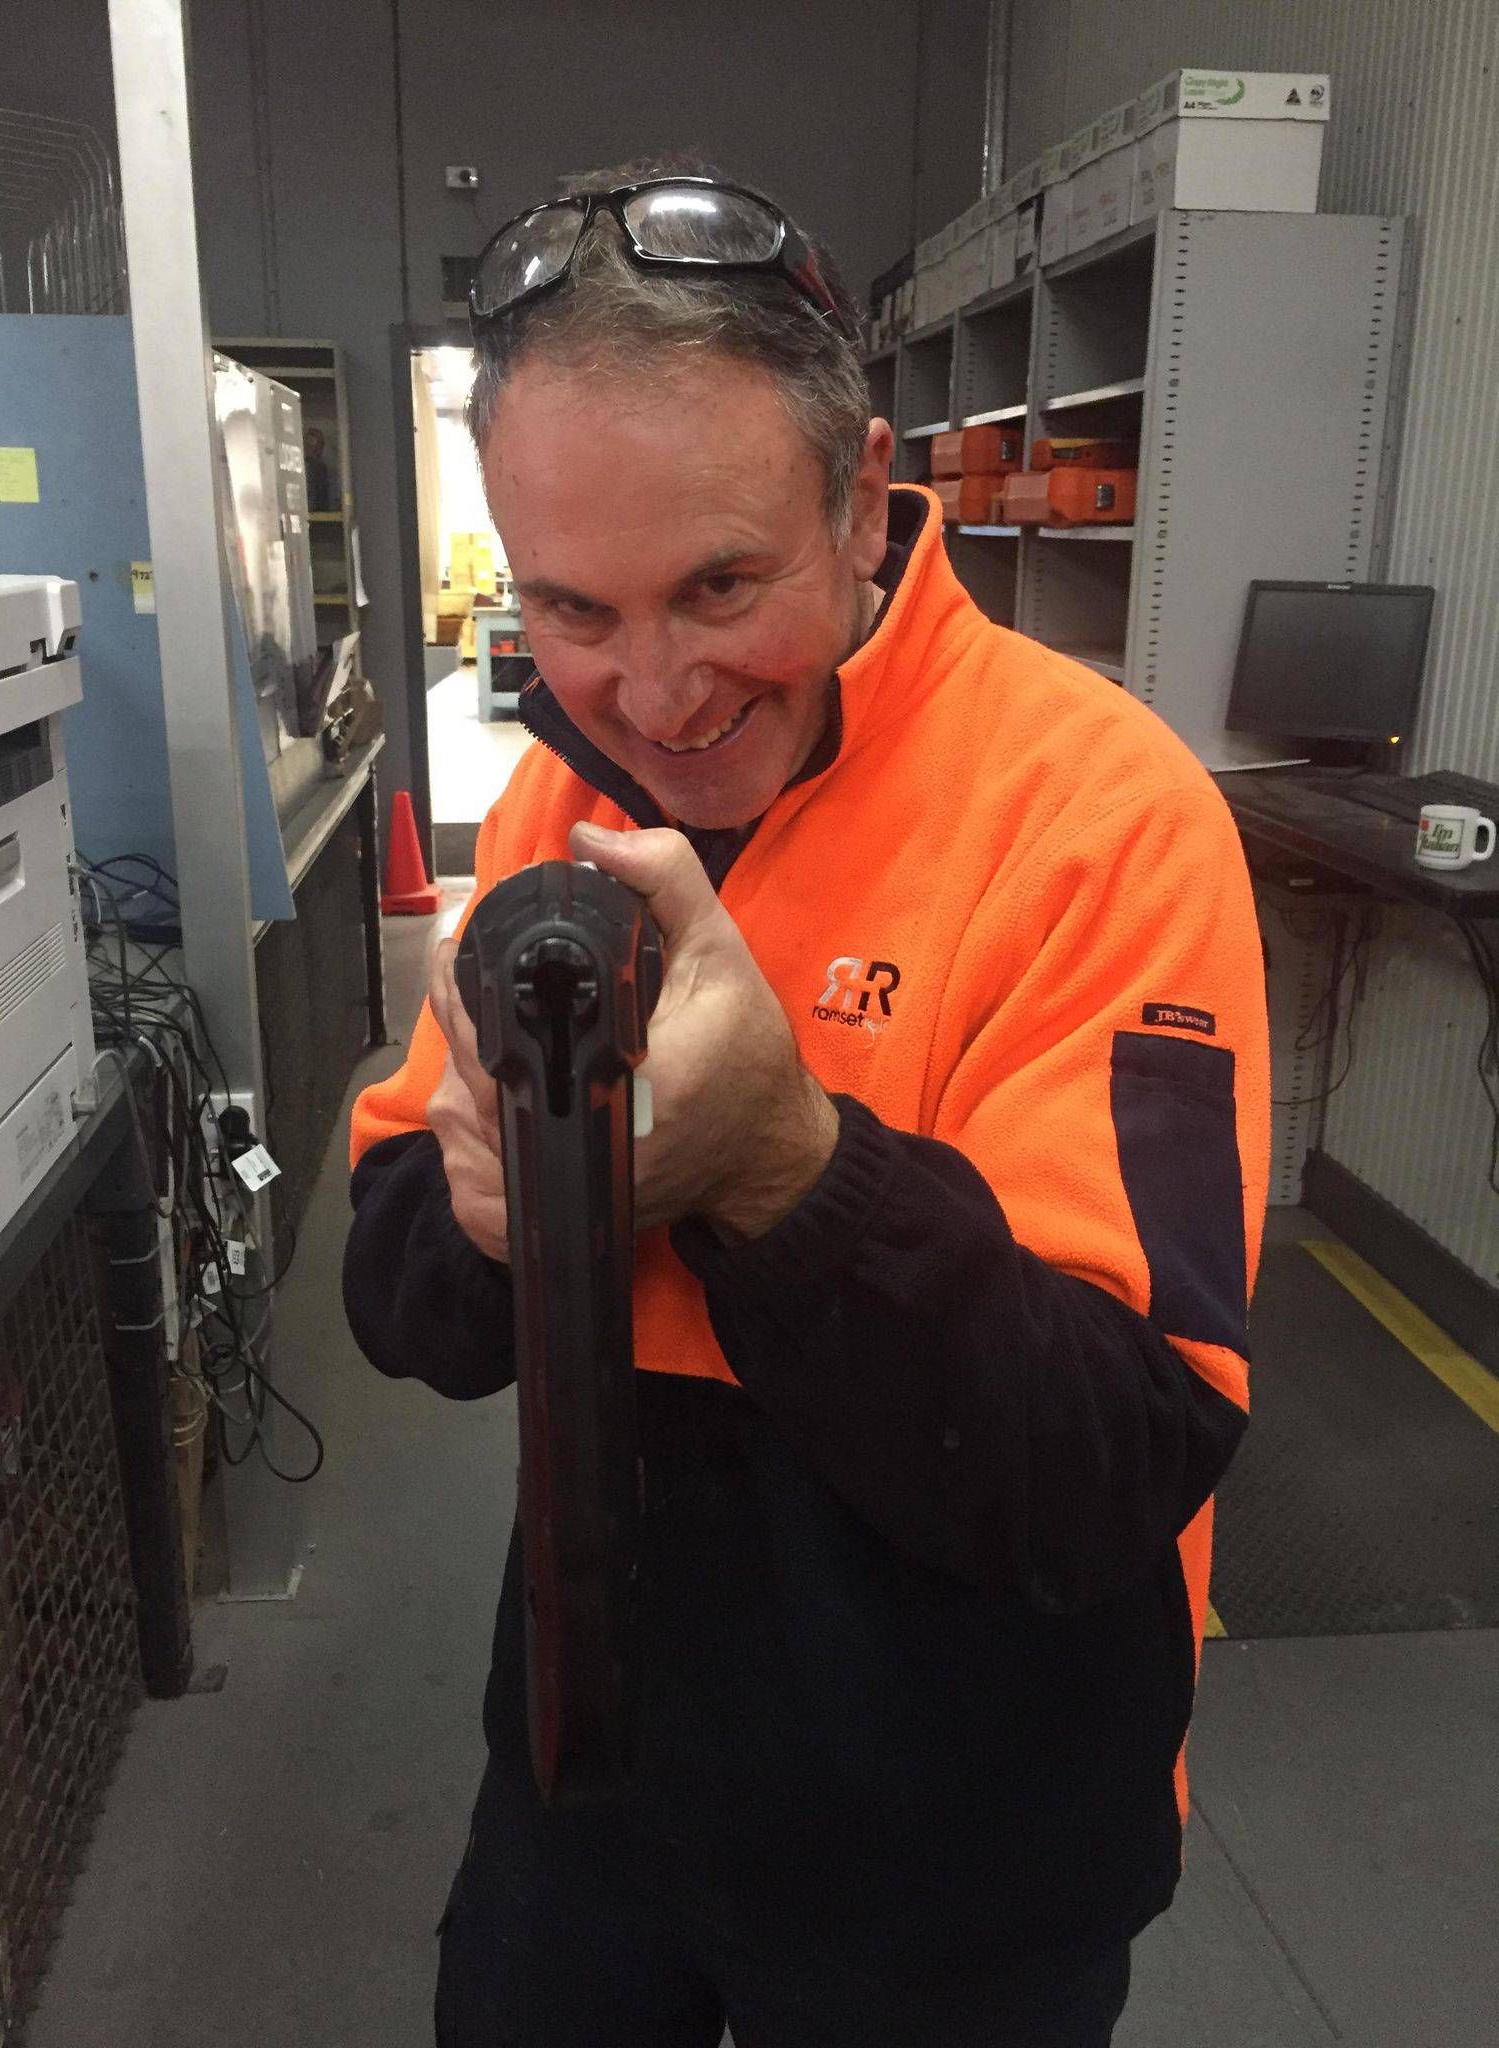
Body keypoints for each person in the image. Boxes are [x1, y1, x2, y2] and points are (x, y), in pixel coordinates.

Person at [343, 157, 1269, 2048]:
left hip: (961, 1873)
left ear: (859, 499)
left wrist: (784, 1170)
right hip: (595, 1798)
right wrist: (490, 1217)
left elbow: (1113, 1455)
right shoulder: (562, 796)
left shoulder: (1097, 818)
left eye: (721, 585)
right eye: (572, 609)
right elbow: (396, 1298)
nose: (655, 693)